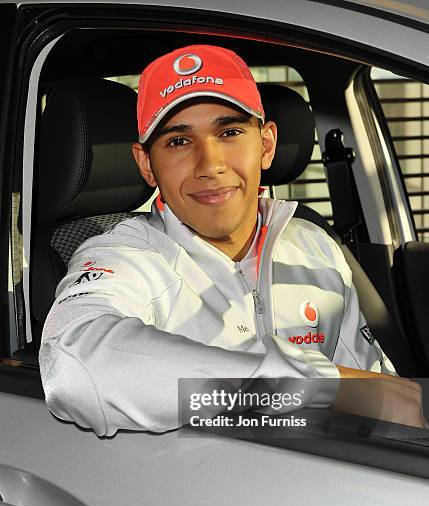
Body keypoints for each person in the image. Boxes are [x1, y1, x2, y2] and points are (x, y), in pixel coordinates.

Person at [39, 44, 424, 435]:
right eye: (178, 141)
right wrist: (313, 383)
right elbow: (75, 365)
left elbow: (381, 394)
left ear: (267, 145)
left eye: (230, 132)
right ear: (146, 165)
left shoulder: (313, 244)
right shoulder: (125, 256)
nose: (211, 165)